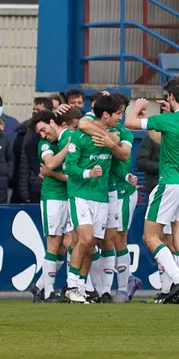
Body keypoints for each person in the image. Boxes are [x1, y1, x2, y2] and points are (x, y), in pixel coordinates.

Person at [123, 77, 179, 304]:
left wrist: (137, 108)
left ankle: (178, 280)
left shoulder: (169, 120)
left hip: (170, 183)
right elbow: (164, 139)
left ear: (170, 97)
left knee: (150, 236)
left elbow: (129, 123)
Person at [62, 95, 121, 304]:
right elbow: (68, 167)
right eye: (118, 114)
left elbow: (122, 152)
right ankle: (71, 286)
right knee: (84, 239)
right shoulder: (80, 136)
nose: (119, 118)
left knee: (91, 245)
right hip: (80, 194)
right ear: (106, 115)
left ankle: (80, 287)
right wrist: (88, 173)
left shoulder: (112, 136)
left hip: (101, 197)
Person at [31, 108, 79, 302]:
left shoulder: (65, 136)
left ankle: (41, 286)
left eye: (43, 129)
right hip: (52, 196)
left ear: (52, 122)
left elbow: (68, 175)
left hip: (67, 195)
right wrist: (68, 147)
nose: (43, 135)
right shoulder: (45, 144)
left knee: (65, 244)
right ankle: (48, 292)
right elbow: (49, 164)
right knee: (53, 242)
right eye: (40, 133)